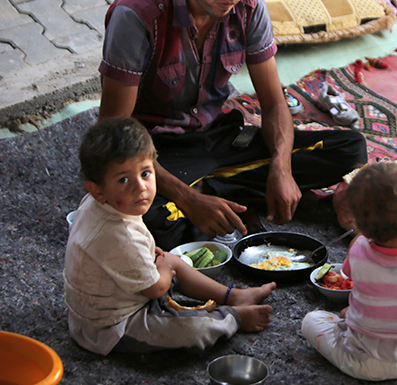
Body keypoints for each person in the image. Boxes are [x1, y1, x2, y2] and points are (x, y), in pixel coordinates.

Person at [97, 0, 368, 251]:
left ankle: (219, 190)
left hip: (217, 137)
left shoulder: (250, 7)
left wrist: (281, 168)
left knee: (350, 148)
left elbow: (273, 104)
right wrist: (188, 199)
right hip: (154, 152)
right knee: (155, 225)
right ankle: (216, 192)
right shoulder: (138, 15)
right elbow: (113, 134)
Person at [63, 117, 276, 355]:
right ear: (97, 190)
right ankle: (233, 317)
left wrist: (160, 261)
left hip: (117, 293)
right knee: (192, 330)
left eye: (145, 173)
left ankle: (233, 296)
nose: (140, 187)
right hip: (112, 327)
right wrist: (164, 271)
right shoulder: (119, 234)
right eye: (124, 180)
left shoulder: (97, 205)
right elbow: (156, 288)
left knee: (171, 259)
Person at [302, 163, 397, 381]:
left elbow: (347, 272)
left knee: (312, 320)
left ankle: (356, 322)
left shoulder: (358, 249)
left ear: (361, 228)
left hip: (359, 361)